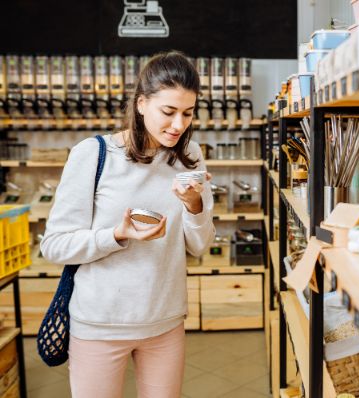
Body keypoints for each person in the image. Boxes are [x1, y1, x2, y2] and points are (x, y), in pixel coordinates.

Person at [41, 51, 215, 398]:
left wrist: (194, 206)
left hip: (165, 321)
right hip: (99, 325)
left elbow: (199, 245)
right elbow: (54, 244)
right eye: (168, 112)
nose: (178, 125)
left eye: (187, 113)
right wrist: (117, 235)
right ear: (141, 104)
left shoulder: (189, 155)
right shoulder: (93, 154)